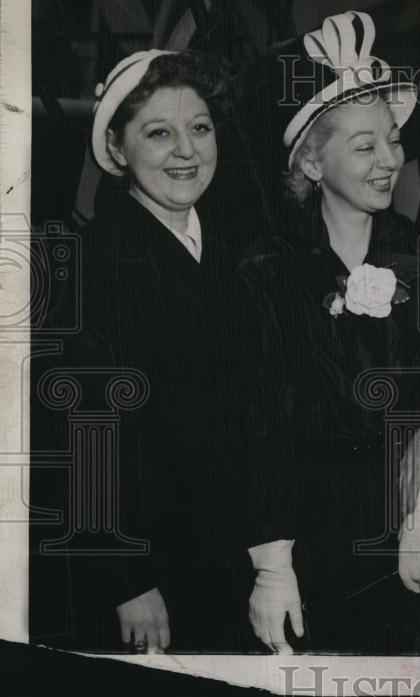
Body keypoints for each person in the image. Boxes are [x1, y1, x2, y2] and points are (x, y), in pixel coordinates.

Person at [239, 11, 420, 654]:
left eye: (392, 139)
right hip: (317, 559)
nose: (391, 159)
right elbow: (260, 428)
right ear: (311, 161)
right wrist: (272, 567)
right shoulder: (268, 275)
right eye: (365, 147)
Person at [32, 49, 257, 652]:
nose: (186, 151)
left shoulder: (230, 252)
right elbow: (84, 431)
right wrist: (125, 578)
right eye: (159, 133)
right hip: (154, 578)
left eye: (200, 129)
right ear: (117, 148)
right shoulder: (94, 266)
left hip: (229, 557)